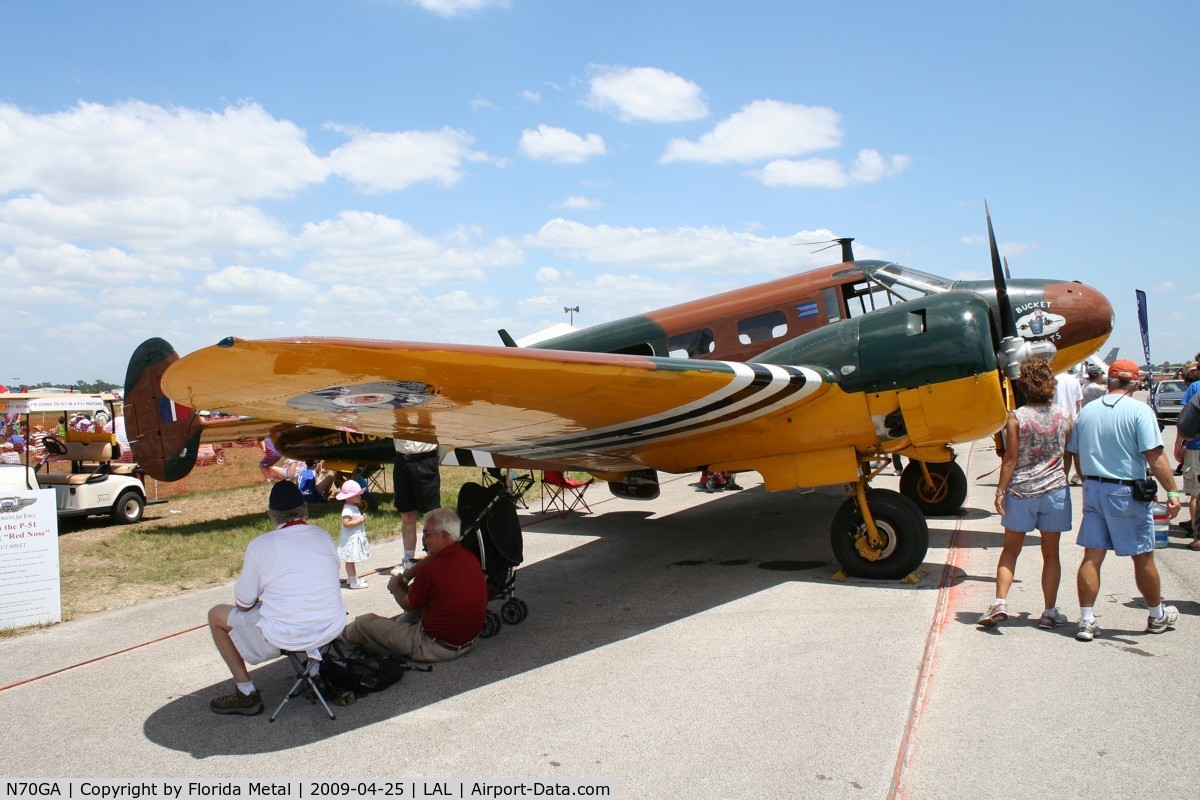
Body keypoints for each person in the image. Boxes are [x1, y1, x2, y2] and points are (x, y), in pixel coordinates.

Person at [206, 480, 346, 715]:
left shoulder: (260, 545)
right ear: (305, 509)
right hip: (330, 626)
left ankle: (246, 691)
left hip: (286, 633)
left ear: (271, 515)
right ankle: (314, 672)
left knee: (216, 615)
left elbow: (243, 602)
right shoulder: (322, 536)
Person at [1067, 359, 1183, 642]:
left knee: (1092, 555)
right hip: (1125, 490)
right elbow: (1154, 455)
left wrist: (1086, 480)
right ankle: (1156, 615)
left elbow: (1076, 453)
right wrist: (1173, 491)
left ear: (1109, 381)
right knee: (1142, 556)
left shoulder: (1087, 412)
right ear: (1134, 383)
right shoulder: (1140, 411)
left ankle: (1086, 619)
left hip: (1094, 488)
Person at [979, 358, 1075, 629]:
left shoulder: (1016, 417)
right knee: (1051, 553)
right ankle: (1049, 611)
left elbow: (1010, 458)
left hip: (1021, 490)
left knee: (1010, 550)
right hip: (1055, 490)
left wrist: (1000, 491)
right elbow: (1066, 451)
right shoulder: (1065, 416)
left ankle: (1000, 602)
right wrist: (1061, 476)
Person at [339, 507, 486, 663]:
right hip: (469, 641)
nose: (424, 540)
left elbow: (409, 604)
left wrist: (395, 586)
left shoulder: (432, 569)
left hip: (435, 647)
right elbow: (418, 591)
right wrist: (411, 573)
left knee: (364, 623)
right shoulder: (468, 556)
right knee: (424, 599)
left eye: (427, 534)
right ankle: (395, 629)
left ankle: (335, 637)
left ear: (444, 536)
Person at [392, 438, 441, 574]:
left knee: (430, 515)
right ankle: (408, 560)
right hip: (402, 459)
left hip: (425, 459)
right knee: (406, 515)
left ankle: (434, 557)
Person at [1174, 365, 1200, 548]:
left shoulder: (1196, 388)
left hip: (1196, 446)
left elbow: (1185, 421)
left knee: (1196, 493)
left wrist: (1179, 443)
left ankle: (1198, 538)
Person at [336, 479, 371, 589]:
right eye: (357, 495)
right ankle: (354, 582)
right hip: (351, 539)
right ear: (348, 497)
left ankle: (351, 578)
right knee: (350, 560)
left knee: (351, 560)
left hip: (354, 537)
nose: (360, 496)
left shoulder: (353, 506)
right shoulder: (347, 509)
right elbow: (346, 523)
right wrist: (360, 520)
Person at [1054, 368, 1084, 484]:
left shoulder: (1053, 378)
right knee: (1072, 453)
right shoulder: (1074, 380)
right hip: (1071, 419)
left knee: (1058, 453)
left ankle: (1061, 478)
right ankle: (1068, 477)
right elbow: (1077, 403)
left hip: (1055, 418)